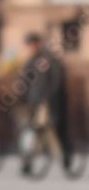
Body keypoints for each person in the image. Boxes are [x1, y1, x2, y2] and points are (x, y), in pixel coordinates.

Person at [19, 32, 70, 173]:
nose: (32, 47)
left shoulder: (49, 59)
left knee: (48, 131)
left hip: (47, 103)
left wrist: (48, 97)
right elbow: (24, 82)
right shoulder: (31, 61)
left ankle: (64, 159)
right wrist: (21, 99)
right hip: (35, 103)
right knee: (35, 131)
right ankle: (28, 162)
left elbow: (56, 79)